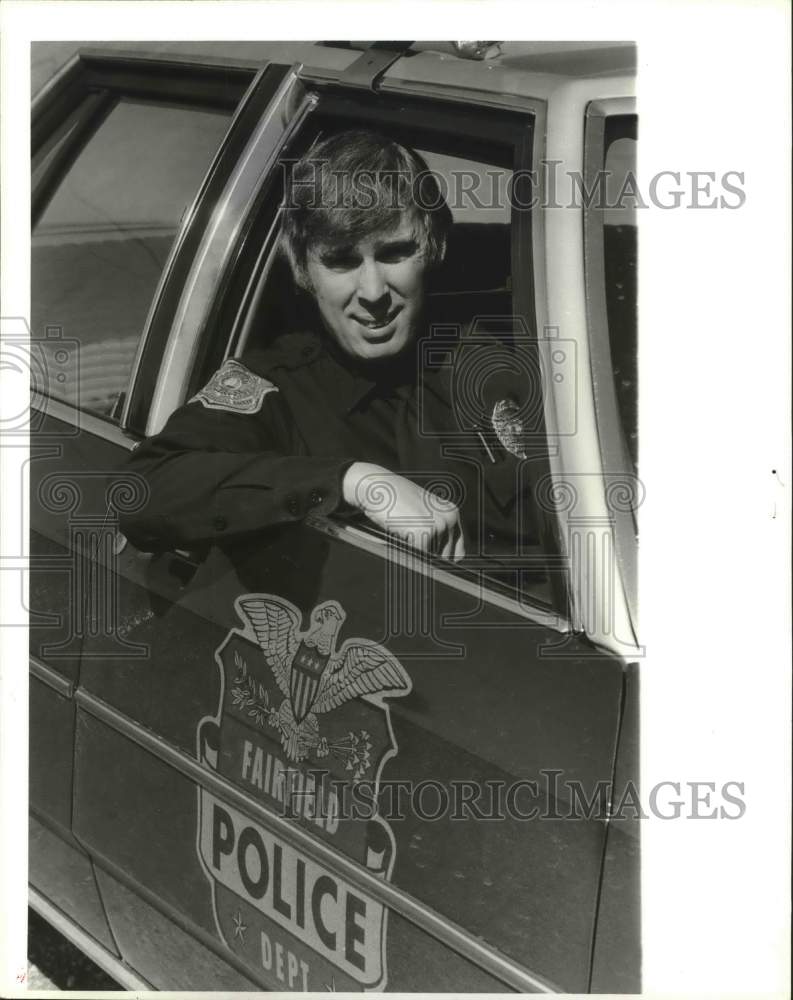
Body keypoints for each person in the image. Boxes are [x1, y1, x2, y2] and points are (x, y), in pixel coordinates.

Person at [119, 130, 538, 563]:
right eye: (342, 261)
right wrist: (352, 483)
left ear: (434, 248)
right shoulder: (275, 387)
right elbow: (144, 490)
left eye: (395, 254)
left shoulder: (502, 354)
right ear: (302, 269)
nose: (373, 291)